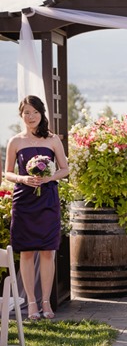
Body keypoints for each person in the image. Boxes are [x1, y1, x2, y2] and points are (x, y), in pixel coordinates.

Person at [4, 95, 69, 320]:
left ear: (42, 114)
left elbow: (65, 169)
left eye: (35, 112)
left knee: (48, 251)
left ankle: (46, 302)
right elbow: (7, 172)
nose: (31, 117)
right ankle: (31, 303)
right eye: (26, 113)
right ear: (21, 116)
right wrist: (23, 179)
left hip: (48, 200)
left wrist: (48, 177)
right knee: (27, 252)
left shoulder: (52, 140)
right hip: (24, 201)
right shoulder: (15, 141)